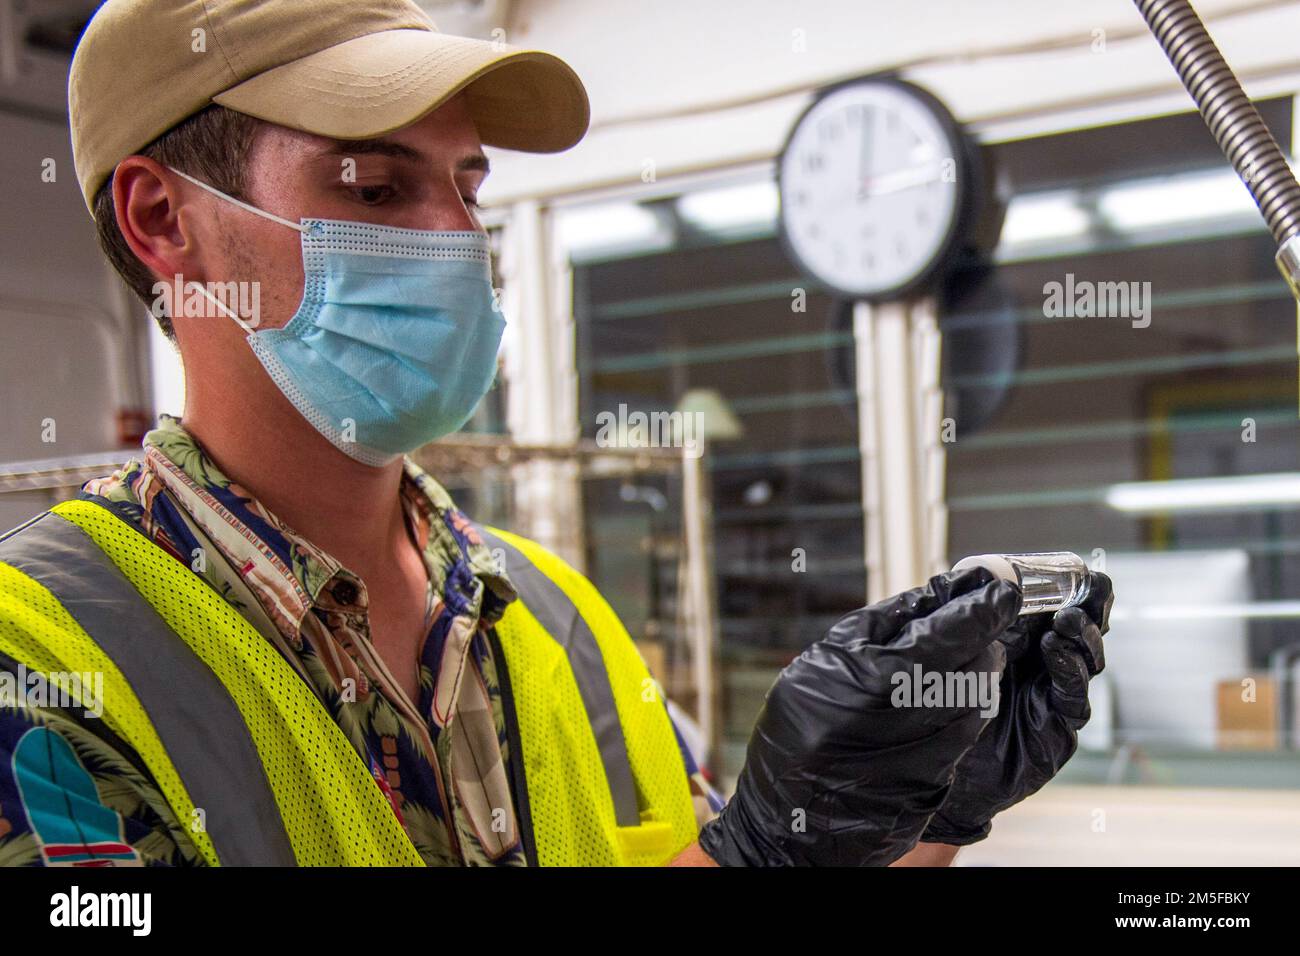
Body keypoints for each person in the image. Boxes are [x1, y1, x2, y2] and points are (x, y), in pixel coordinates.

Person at [0, 0, 1111, 868]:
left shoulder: (554, 615)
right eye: (381, 187)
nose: (457, 240)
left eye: (468, 187)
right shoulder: (41, 659)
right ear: (163, 219)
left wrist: (921, 802)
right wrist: (758, 849)